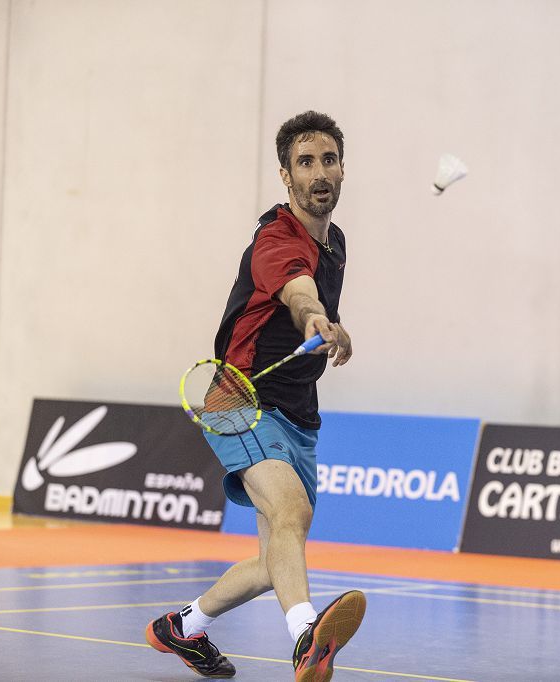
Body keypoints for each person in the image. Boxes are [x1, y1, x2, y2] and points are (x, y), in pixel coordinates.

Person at [145, 111, 365, 681]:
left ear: (343, 169)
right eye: (306, 162)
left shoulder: (335, 244)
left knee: (275, 562)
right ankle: (305, 640)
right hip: (240, 398)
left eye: (330, 160)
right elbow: (298, 294)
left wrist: (330, 331)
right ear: (286, 176)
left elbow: (312, 290)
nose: (320, 172)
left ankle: (183, 627)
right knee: (290, 510)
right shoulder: (275, 239)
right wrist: (317, 318)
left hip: (297, 415)